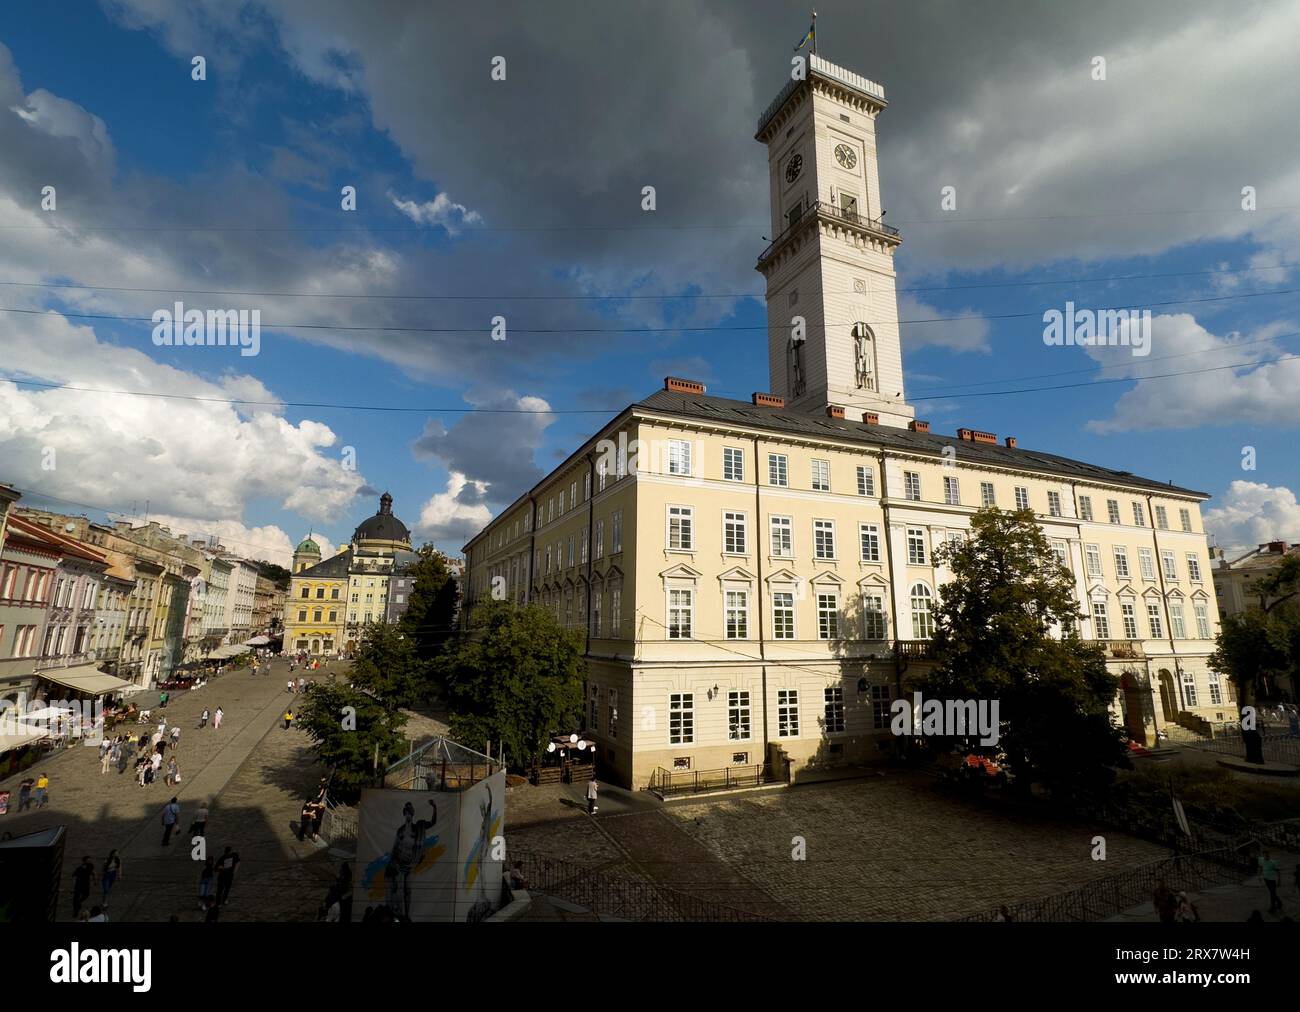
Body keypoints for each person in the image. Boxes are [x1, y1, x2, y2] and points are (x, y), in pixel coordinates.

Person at [385, 800, 438, 918]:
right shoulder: (401, 830)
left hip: (410, 863)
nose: (408, 814)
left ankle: (406, 915)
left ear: (412, 814)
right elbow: (395, 848)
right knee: (399, 889)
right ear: (405, 814)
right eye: (407, 812)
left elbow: (433, 822)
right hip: (399, 862)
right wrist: (394, 863)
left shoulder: (418, 827)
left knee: (407, 889)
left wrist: (434, 807)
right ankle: (399, 914)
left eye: (410, 812)